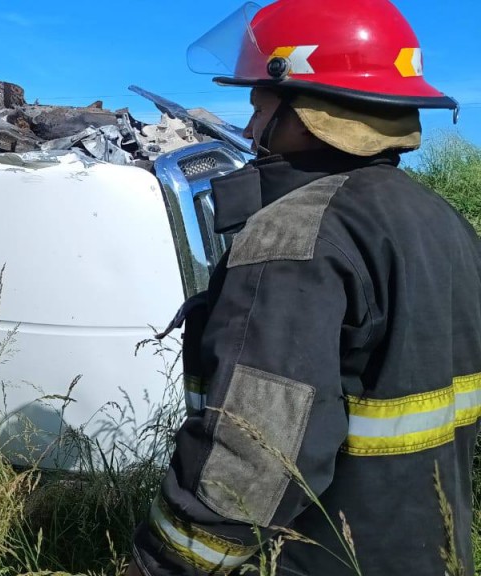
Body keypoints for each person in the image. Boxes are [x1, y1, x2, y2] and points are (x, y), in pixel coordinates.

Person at [128, 1, 481, 574]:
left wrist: (164, 564)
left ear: (307, 110)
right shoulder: (441, 220)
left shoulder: (294, 234)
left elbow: (251, 458)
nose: (248, 130)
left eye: (258, 107)